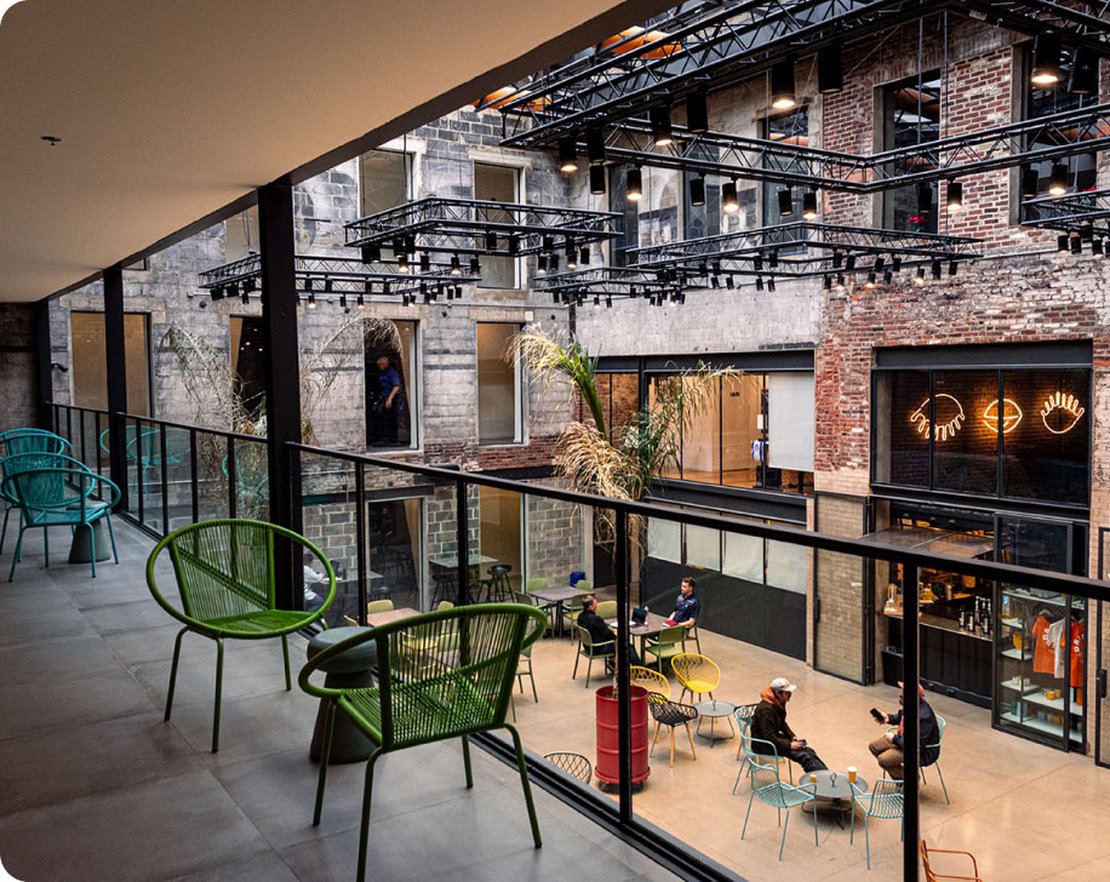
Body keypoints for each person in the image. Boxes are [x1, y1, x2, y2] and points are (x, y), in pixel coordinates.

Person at [749, 677, 828, 773]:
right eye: (787, 692)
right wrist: (789, 745)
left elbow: (782, 723)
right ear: (778, 693)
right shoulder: (766, 710)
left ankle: (826, 774)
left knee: (809, 751)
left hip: (774, 739)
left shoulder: (777, 703)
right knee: (805, 757)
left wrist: (792, 736)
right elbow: (769, 736)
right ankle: (818, 780)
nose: (790, 695)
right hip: (764, 744)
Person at [868, 681, 940, 780]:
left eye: (903, 693)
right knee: (874, 747)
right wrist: (888, 718)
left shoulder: (923, 718)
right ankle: (901, 779)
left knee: (883, 759)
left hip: (922, 752)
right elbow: (901, 716)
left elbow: (917, 746)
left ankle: (911, 782)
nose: (900, 695)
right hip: (903, 740)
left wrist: (894, 739)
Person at [577, 594, 642, 668]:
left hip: (588, 647)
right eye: (595, 604)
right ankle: (639, 669)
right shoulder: (595, 619)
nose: (597, 605)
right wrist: (616, 638)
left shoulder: (580, 617)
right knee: (628, 646)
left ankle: (613, 662)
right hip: (598, 648)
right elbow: (608, 634)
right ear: (590, 607)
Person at [372, 355, 403, 446]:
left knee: (391, 419)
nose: (378, 366)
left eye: (379, 364)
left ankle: (393, 440)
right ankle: (384, 439)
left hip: (391, 399)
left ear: (384, 364)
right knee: (383, 419)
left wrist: (390, 399)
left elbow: (396, 386)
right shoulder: (382, 373)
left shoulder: (391, 372)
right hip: (384, 398)